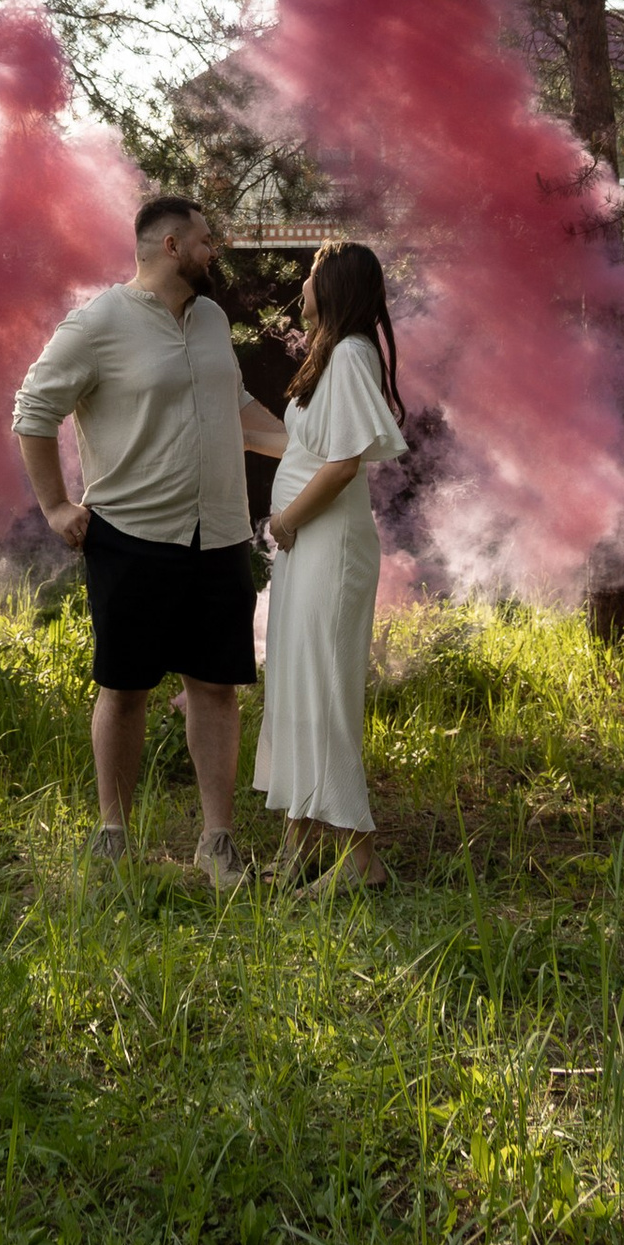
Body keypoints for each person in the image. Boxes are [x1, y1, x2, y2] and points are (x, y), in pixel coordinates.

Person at [14, 195, 286, 886]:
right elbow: (34, 409)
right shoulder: (98, 322)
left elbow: (237, 406)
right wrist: (53, 505)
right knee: (124, 688)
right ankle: (113, 836)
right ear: (170, 245)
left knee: (216, 687)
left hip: (220, 536)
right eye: (205, 240)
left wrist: (310, 449)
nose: (213, 251)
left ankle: (216, 843)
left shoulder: (211, 318)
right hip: (131, 535)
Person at [253, 242, 407, 889]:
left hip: (325, 545)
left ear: (335, 283)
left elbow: (343, 464)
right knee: (295, 685)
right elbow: (305, 445)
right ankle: (299, 847)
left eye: (312, 274)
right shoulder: (333, 353)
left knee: (323, 689)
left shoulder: (350, 352)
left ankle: (361, 859)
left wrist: (286, 521)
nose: (303, 282)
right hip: (304, 549)